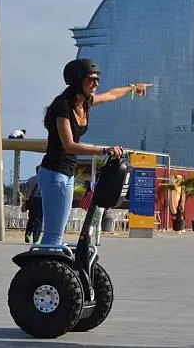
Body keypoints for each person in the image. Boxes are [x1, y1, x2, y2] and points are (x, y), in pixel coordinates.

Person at [37, 58, 152, 247]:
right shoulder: (62, 107)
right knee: (53, 234)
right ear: (77, 81)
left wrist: (133, 88)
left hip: (67, 173)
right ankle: (43, 272)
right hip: (53, 173)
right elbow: (69, 145)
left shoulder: (85, 104)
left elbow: (111, 95)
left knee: (58, 231)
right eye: (91, 79)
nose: (96, 84)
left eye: (97, 79)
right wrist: (104, 150)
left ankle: (51, 269)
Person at [23, 166, 42, 244]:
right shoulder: (43, 180)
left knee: (31, 218)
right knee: (38, 220)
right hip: (40, 200)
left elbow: (26, 191)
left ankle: (28, 233)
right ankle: (36, 238)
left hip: (31, 200)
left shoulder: (30, 179)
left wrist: (25, 201)